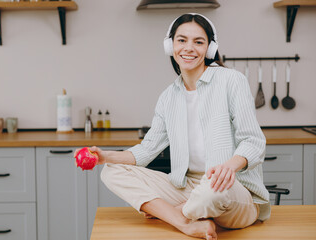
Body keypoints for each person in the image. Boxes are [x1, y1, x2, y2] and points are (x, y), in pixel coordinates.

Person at [74, 13, 270, 240]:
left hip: (232, 189)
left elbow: (254, 141)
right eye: (182, 40)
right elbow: (146, 151)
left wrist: (229, 167)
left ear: (209, 48)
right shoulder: (169, 97)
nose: (189, 48)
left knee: (212, 189)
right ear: (170, 45)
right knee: (111, 172)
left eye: (198, 42)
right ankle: (187, 223)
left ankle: (177, 213)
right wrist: (104, 156)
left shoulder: (231, 81)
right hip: (189, 186)